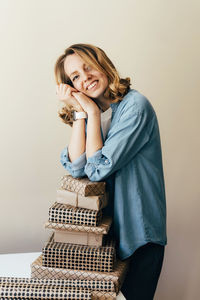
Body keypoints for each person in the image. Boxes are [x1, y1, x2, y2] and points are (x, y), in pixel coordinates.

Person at [54, 43, 167, 300]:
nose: (85, 78)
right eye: (75, 77)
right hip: (105, 236)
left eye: (88, 67)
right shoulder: (98, 112)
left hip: (138, 234)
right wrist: (82, 112)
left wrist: (91, 113)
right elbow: (77, 165)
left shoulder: (135, 106)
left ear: (102, 63)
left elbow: (97, 170)